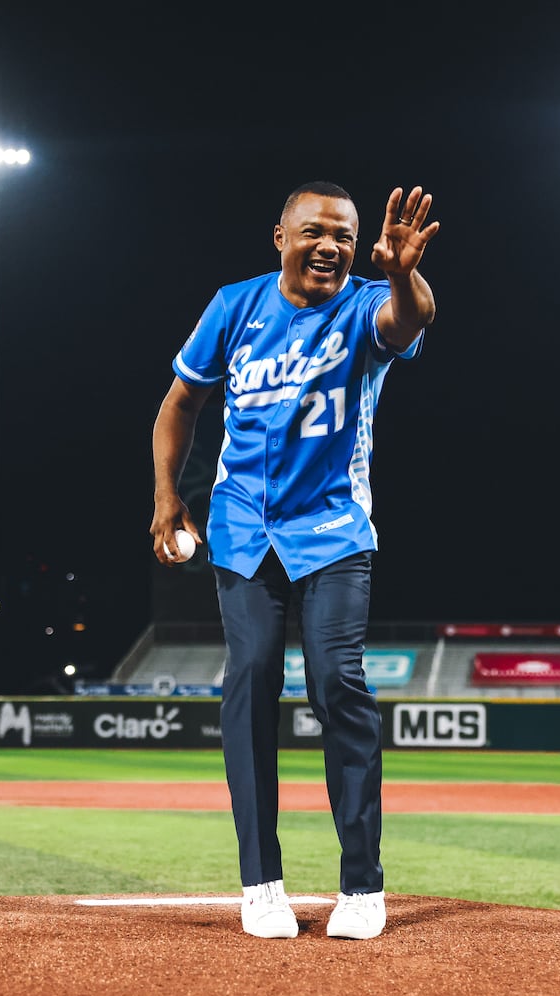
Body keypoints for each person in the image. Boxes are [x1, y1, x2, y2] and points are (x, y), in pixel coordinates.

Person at [150, 181, 439, 940]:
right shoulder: (234, 306)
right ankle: (261, 884)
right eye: (313, 231)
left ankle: (361, 886)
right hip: (244, 529)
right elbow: (180, 400)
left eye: (343, 235)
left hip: (334, 531)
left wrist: (404, 271)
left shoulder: (366, 305)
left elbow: (408, 318)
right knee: (247, 679)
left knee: (335, 680)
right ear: (279, 237)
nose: (330, 246)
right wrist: (165, 496)